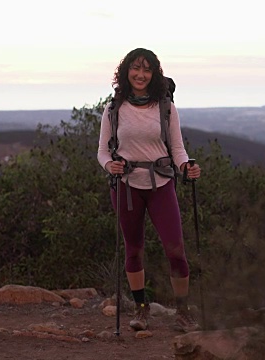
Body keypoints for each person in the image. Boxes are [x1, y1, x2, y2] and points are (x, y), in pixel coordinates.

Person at [97, 48, 201, 333]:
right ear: (126, 71)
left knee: (176, 250)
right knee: (134, 250)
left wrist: (186, 166)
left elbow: (177, 148)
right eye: (135, 68)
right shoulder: (113, 108)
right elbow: (102, 152)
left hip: (161, 184)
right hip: (126, 187)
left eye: (147, 69)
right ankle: (141, 309)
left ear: (154, 73)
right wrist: (110, 167)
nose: (140, 74)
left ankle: (183, 310)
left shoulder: (165, 107)